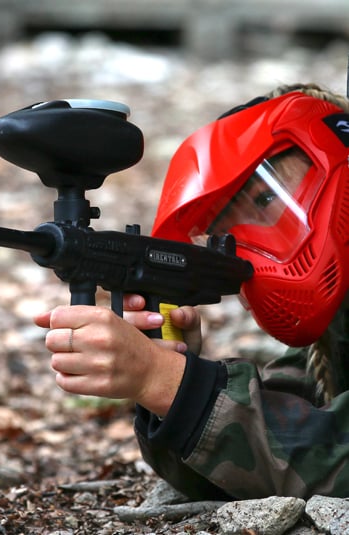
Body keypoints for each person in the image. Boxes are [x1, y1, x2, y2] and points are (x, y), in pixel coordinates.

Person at [34, 83, 349, 500]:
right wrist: (172, 387)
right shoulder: (336, 327)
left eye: (267, 199)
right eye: (228, 235)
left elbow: (334, 463)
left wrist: (164, 380)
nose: (254, 248)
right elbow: (274, 448)